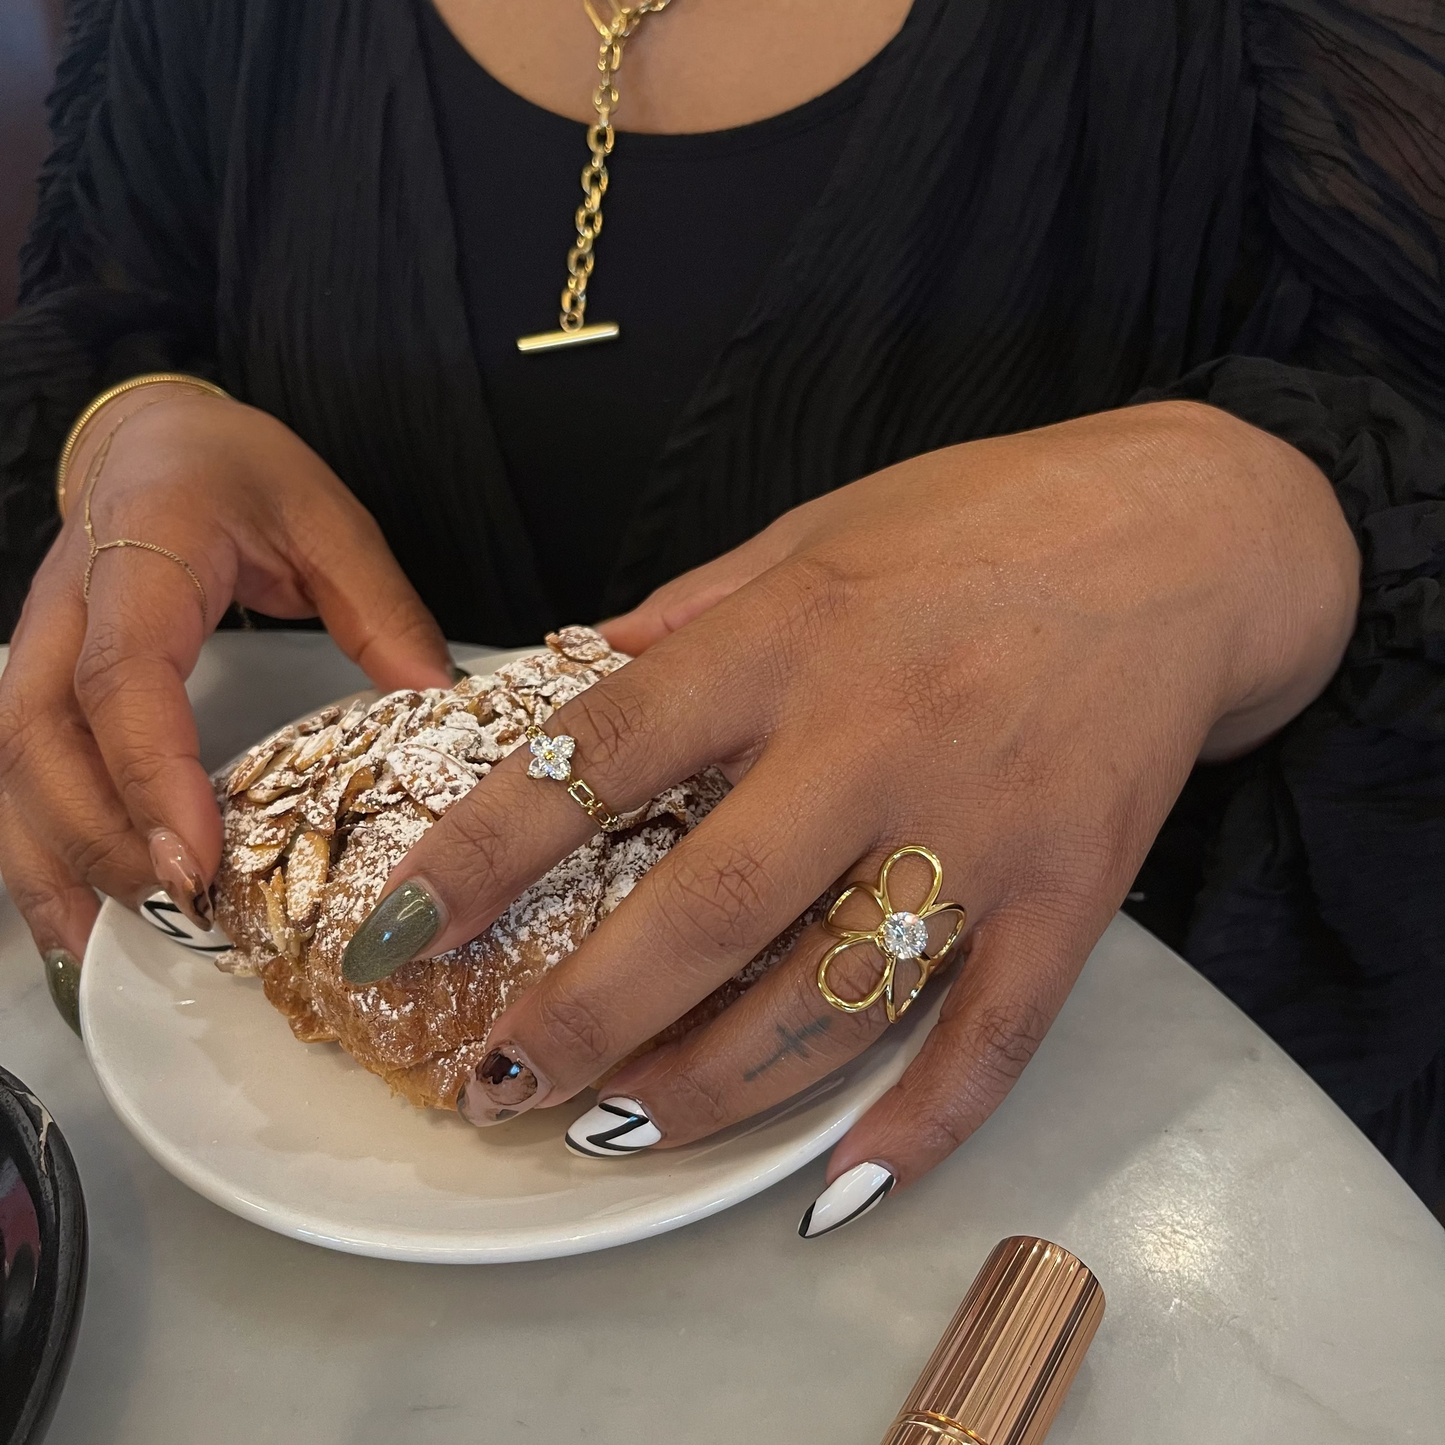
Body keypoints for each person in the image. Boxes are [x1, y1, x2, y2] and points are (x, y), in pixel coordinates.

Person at [0, 0, 1441, 1230]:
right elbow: (111, 299)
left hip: (1071, 1165)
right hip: (243, 1216)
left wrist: (1264, 514)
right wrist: (137, 421)